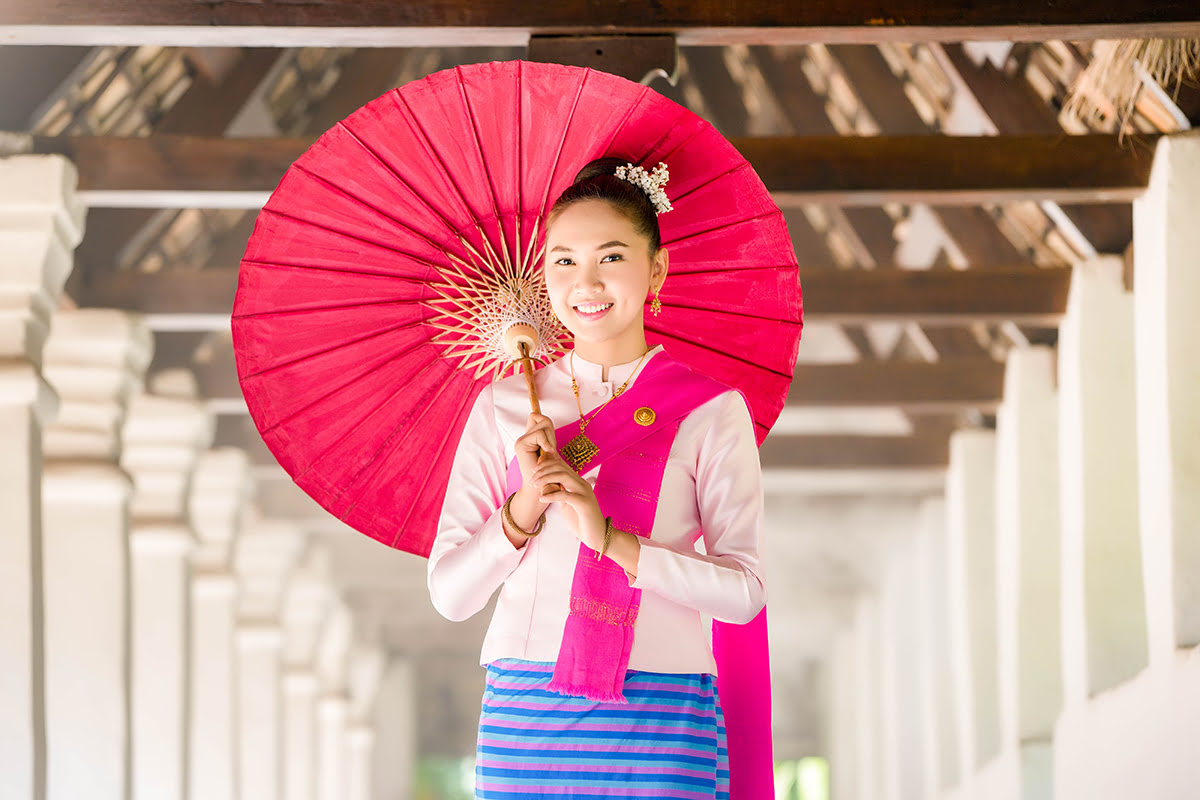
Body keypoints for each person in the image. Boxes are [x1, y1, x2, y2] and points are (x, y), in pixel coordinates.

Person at [427, 156, 767, 799]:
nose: (585, 282)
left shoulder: (711, 410)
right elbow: (450, 595)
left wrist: (610, 540)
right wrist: (525, 506)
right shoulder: (503, 409)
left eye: (611, 257)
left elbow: (745, 593)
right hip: (528, 708)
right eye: (563, 260)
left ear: (656, 269)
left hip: (662, 712)